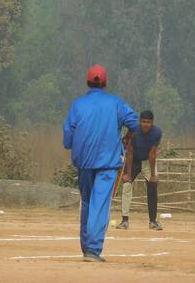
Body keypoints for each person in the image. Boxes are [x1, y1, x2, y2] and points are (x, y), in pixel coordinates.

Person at [63, 64, 139, 262]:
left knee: (87, 202)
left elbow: (68, 136)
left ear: (87, 82)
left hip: (84, 162)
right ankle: (93, 249)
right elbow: (134, 123)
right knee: (100, 204)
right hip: (107, 162)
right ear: (105, 82)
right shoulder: (116, 103)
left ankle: (86, 246)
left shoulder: (77, 104)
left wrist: (73, 145)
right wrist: (127, 137)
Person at [115, 110, 163, 231]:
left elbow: (152, 153)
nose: (146, 124)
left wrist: (153, 175)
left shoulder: (157, 132)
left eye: (148, 122)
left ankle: (153, 221)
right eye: (143, 122)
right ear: (140, 122)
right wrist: (128, 174)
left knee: (153, 186)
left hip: (147, 161)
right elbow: (129, 152)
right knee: (126, 186)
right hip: (134, 160)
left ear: (152, 123)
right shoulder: (134, 130)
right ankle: (124, 221)